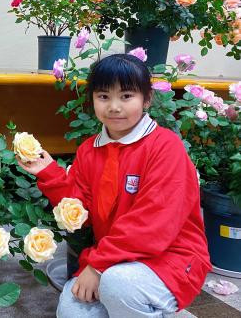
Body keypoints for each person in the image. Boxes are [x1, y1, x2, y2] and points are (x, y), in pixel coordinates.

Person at [19, 54, 211, 317]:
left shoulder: (165, 147)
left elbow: (153, 224)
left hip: (170, 258)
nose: (114, 107)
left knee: (118, 286)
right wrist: (49, 173)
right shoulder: (90, 150)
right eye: (103, 96)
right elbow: (80, 212)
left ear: (147, 99)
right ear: (92, 100)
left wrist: (97, 266)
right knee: (72, 311)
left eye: (126, 96)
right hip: (116, 257)